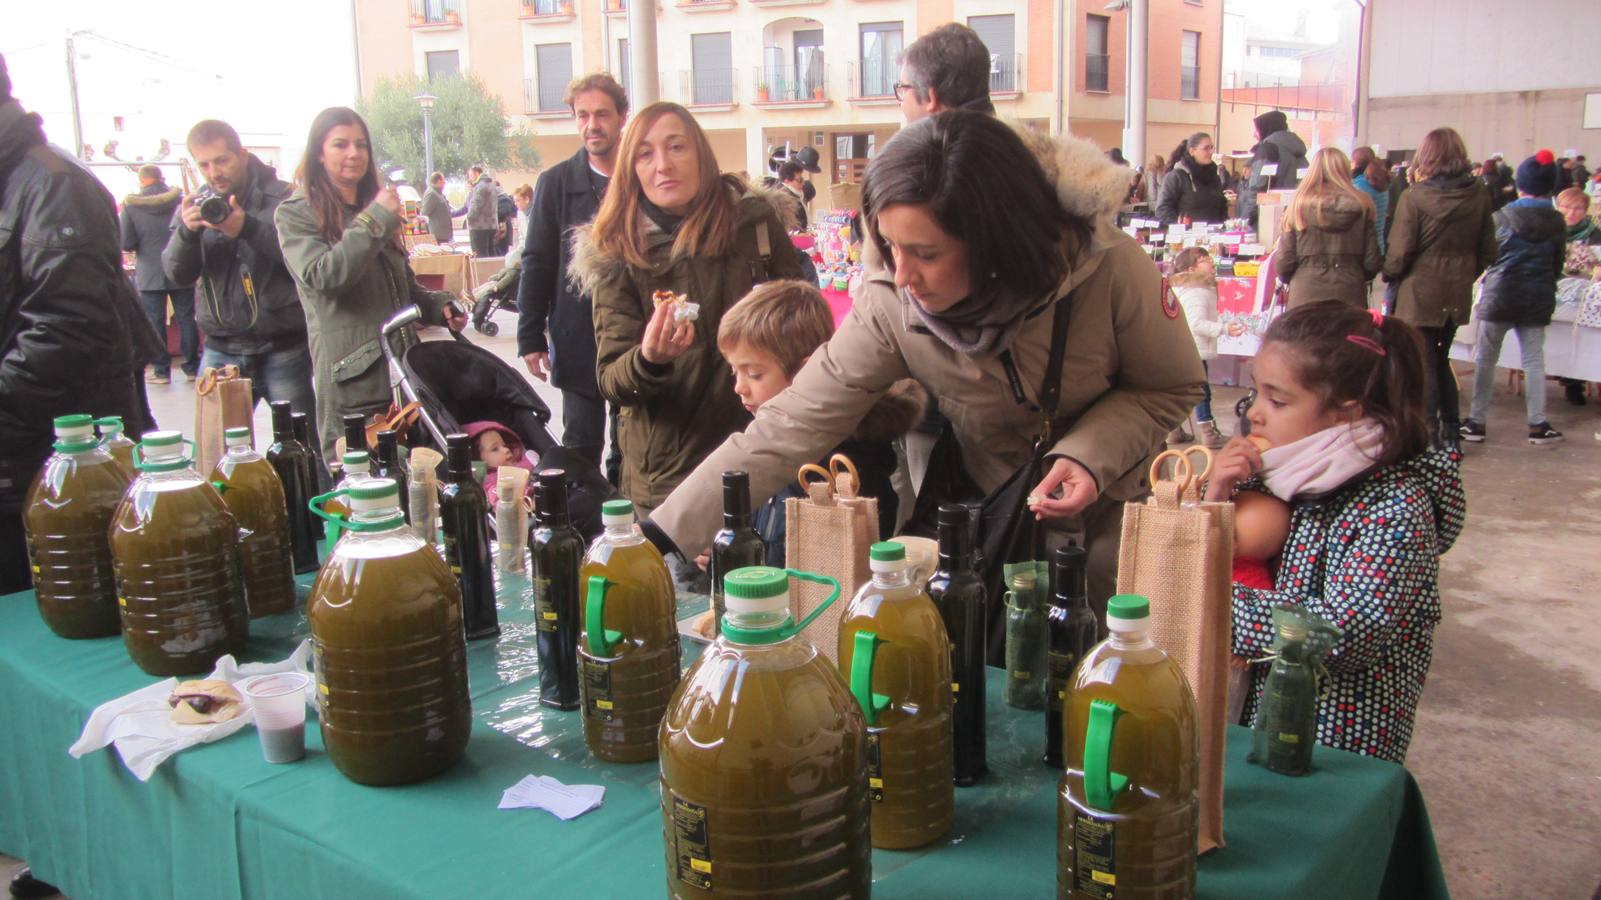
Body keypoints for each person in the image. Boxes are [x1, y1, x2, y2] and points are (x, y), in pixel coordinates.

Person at [648, 111, 1204, 619]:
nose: (902, 274)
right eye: (889, 247)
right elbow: (791, 422)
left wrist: (1088, 456)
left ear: (995, 244)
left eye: (927, 254)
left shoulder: (1110, 269)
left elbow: (1171, 386)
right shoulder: (892, 299)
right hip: (983, 520)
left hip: (1106, 523)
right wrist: (659, 536)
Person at [1205, 300, 1462, 763]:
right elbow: (1219, 547)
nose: (1255, 415)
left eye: (1278, 400)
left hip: (1338, 740)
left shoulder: (1395, 506)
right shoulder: (1274, 471)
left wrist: (1209, 600)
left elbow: (1346, 631)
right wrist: (1216, 491)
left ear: (1347, 411)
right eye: (1254, 393)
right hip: (1257, 717)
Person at [569, 100, 803, 511]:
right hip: (672, 480)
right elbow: (611, 379)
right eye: (645, 154)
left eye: (676, 147)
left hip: (765, 459)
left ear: (701, 154)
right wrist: (650, 359)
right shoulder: (618, 252)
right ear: (632, 169)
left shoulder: (755, 225)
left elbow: (804, 326)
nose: (663, 164)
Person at [0, 51, 158, 601]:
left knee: (64, 609)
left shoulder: (50, 185)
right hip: (31, 456)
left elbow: (66, 330)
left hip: (54, 465)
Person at [276, 107, 467, 462]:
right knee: (363, 495)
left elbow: (404, 288)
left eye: (361, 144)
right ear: (319, 152)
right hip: (353, 385)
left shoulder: (372, 208)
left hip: (404, 376)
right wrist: (376, 218)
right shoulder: (296, 212)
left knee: (418, 489)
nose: (354, 153)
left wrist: (438, 306)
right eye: (340, 145)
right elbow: (324, 276)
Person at [713, 279, 923, 565]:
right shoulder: (772, 445)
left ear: (807, 372)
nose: (739, 387)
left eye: (754, 374)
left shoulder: (844, 470)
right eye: (734, 372)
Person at [162, 119, 318, 435]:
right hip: (221, 347)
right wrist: (187, 233)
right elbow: (176, 273)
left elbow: (307, 264)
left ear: (242, 155)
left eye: (221, 160)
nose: (214, 172)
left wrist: (246, 229)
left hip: (282, 346)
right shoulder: (195, 207)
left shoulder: (284, 199)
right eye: (204, 164)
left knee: (303, 450)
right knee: (215, 453)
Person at [519, 72, 628, 475]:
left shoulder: (641, 180)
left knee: (631, 449)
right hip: (576, 337)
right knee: (580, 447)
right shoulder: (555, 183)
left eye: (601, 114)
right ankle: (584, 530)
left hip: (634, 339)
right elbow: (537, 261)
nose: (591, 125)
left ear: (621, 117)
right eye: (582, 115)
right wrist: (530, 335)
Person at [1384, 126, 1496, 444]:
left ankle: (1430, 434)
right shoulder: (1479, 194)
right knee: (1440, 357)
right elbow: (1488, 249)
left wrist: (1390, 272)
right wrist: (1464, 272)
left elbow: (1400, 252)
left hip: (1419, 291)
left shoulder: (1414, 197)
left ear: (1426, 156)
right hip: (1456, 289)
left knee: (1425, 363)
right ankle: (1450, 431)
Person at [1461, 150, 1568, 445]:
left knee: (1485, 358)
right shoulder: (1558, 222)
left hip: (1499, 295)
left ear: (1520, 185)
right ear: (1550, 187)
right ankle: (1538, 423)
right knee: (1533, 360)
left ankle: (1476, 422)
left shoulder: (1502, 217)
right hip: (1537, 297)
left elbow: (1487, 257)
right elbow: (1557, 265)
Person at [1273, 147, 1382, 310]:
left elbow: (1284, 264)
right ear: (1346, 171)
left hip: (1304, 297)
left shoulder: (1297, 207)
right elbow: (1372, 262)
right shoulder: (1363, 206)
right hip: (1350, 296)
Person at [121, 163, 198, 383]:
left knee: (154, 322)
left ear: (143, 180)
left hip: (150, 272)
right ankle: (192, 367)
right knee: (186, 319)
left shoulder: (131, 207)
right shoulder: (181, 200)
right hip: (181, 267)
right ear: (161, 178)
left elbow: (126, 242)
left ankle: (161, 371)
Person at [1169, 247, 1241, 449]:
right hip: (1194, 350)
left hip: (1183, 349)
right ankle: (1208, 433)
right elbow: (1196, 323)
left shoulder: (1188, 288)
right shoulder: (1197, 291)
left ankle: (1173, 430)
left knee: (1181, 391)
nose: (1210, 261)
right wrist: (1224, 329)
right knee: (1201, 392)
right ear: (1192, 269)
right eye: (1202, 259)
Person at [894, 22, 996, 122]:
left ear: (931, 98)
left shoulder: (938, 138)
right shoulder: (1006, 137)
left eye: (903, 89)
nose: (898, 102)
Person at [1237, 109, 1308, 227]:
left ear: (1267, 128)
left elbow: (1257, 190)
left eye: (1256, 129)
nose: (1254, 134)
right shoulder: (1299, 152)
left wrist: (1243, 222)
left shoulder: (1267, 150)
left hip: (1267, 219)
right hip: (1295, 217)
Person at [1156, 132, 1229, 226]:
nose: (1211, 152)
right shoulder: (1176, 176)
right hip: (1187, 237)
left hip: (1214, 236)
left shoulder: (1214, 176)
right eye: (1206, 148)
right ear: (1192, 151)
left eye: (1212, 148)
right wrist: (1180, 227)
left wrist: (1224, 226)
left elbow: (1222, 206)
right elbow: (1163, 209)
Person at [464, 419, 537, 500]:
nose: (506, 450)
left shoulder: (519, 463)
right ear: (478, 459)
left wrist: (530, 460)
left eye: (504, 445)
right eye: (495, 449)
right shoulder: (487, 482)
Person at [1350, 146, 1392, 257]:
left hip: (1362, 249)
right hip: (1378, 246)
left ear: (1354, 163)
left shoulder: (1358, 186)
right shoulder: (1382, 183)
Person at [463, 164, 498, 256]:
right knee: (491, 254)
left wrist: (469, 218)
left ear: (477, 173)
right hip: (491, 225)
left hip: (479, 226)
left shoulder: (480, 187)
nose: (470, 179)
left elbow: (476, 206)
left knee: (480, 256)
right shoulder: (491, 185)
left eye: (471, 175)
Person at [419, 170, 453, 244]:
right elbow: (424, 213)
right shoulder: (431, 194)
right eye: (443, 180)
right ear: (438, 181)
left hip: (444, 234)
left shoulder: (439, 194)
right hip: (438, 236)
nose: (445, 182)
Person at [776, 159, 810, 230]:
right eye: (799, 180)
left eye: (802, 179)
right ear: (787, 181)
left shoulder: (797, 196)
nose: (803, 183)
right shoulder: (785, 200)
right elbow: (794, 228)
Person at [505, 183, 533, 264]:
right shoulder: (520, 214)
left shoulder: (538, 214)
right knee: (510, 259)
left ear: (527, 199)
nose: (515, 204)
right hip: (526, 249)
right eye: (514, 201)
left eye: (518, 200)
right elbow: (522, 238)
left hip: (537, 253)